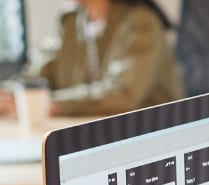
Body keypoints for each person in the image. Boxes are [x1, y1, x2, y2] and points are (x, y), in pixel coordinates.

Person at [1, 0, 182, 117]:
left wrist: (54, 104)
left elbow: (123, 95)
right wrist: (8, 94)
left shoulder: (141, 22)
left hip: (144, 135)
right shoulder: (70, 21)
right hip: (84, 129)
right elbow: (37, 76)